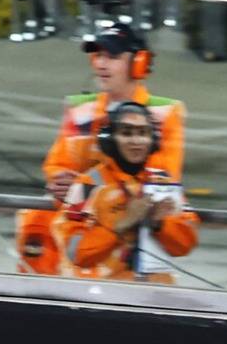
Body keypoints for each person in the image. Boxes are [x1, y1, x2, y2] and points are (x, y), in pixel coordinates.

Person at [21, 20, 186, 274]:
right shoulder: (80, 110)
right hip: (87, 231)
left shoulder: (165, 114)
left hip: (134, 233)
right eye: (98, 55)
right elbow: (58, 165)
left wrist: (91, 189)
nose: (100, 64)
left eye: (112, 56)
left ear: (139, 62)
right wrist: (59, 180)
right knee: (34, 220)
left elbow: (162, 179)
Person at [50, 100, 198, 284]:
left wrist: (160, 224)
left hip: (156, 294)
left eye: (143, 133)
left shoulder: (164, 182)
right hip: (102, 294)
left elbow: (186, 245)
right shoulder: (87, 185)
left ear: (153, 140)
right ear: (110, 139)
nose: (136, 141)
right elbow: (74, 253)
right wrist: (121, 224)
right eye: (127, 133)